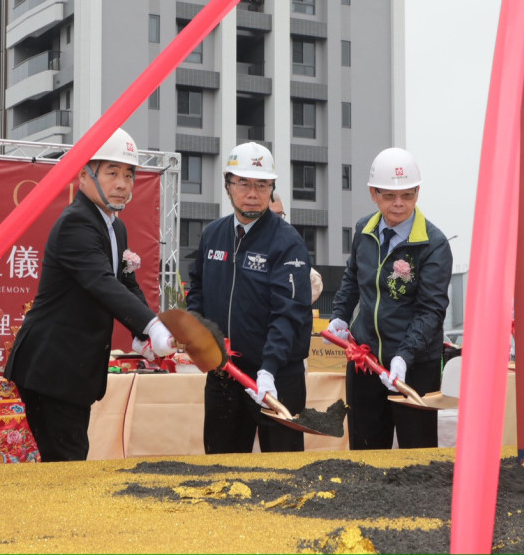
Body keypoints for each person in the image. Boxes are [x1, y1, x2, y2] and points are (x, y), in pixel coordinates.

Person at [4, 128, 176, 461]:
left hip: (72, 370)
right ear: (84, 176)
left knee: (69, 463)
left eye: (129, 174)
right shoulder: (76, 223)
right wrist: (154, 326)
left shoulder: (115, 226)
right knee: (67, 466)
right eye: (112, 173)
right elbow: (101, 282)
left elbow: (125, 283)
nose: (123, 183)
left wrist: (142, 334)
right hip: (51, 368)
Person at [187, 142, 313, 454]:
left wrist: (269, 369)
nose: (253, 192)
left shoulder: (287, 242)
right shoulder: (212, 235)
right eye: (243, 183)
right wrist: (198, 336)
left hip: (277, 377)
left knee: (282, 473)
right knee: (221, 469)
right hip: (225, 374)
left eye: (262, 184)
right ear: (228, 185)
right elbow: (197, 291)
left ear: (272, 188)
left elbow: (289, 312)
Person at [328, 147, 452, 449]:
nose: (399, 204)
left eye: (407, 195)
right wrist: (340, 315)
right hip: (366, 359)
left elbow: (431, 310)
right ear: (373, 194)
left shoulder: (433, 245)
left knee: (417, 452)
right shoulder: (364, 230)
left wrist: (403, 356)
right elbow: (351, 279)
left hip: (415, 366)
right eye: (389, 196)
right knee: (366, 448)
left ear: (417, 193)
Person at [268, 194, 324, 304]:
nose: (276, 220)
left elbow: (316, 280)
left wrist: (295, 306)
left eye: (280, 215)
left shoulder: (291, 241)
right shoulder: (248, 240)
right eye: (271, 215)